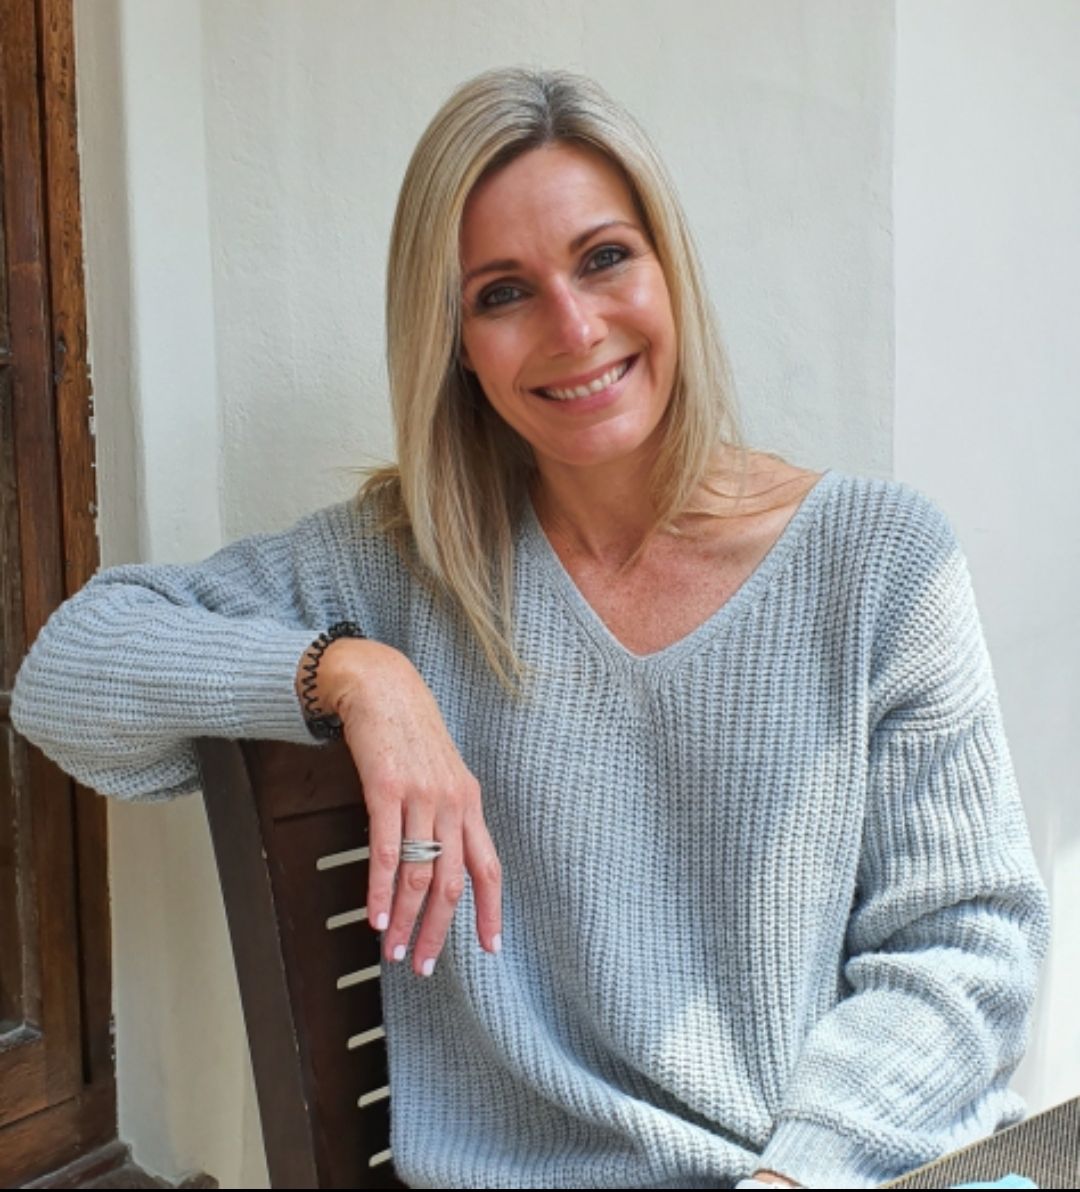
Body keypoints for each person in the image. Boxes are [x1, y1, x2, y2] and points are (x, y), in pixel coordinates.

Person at [12, 68, 1049, 1190]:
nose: (574, 326)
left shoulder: (881, 560)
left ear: (669, 270)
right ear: (455, 340)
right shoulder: (400, 565)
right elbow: (66, 675)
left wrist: (797, 1175)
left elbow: (966, 940)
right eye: (503, 292)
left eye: (605, 258)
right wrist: (354, 674)